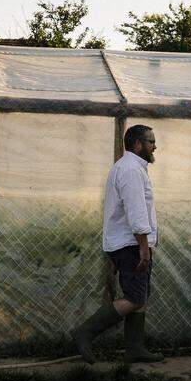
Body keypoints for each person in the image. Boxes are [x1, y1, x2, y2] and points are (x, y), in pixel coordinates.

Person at [71, 124, 164, 363]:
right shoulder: (131, 170)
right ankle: (85, 332)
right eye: (151, 141)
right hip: (132, 244)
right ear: (137, 144)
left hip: (128, 243)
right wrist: (143, 247)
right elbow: (136, 211)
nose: (155, 145)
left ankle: (135, 349)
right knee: (134, 298)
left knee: (140, 295)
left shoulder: (129, 168)